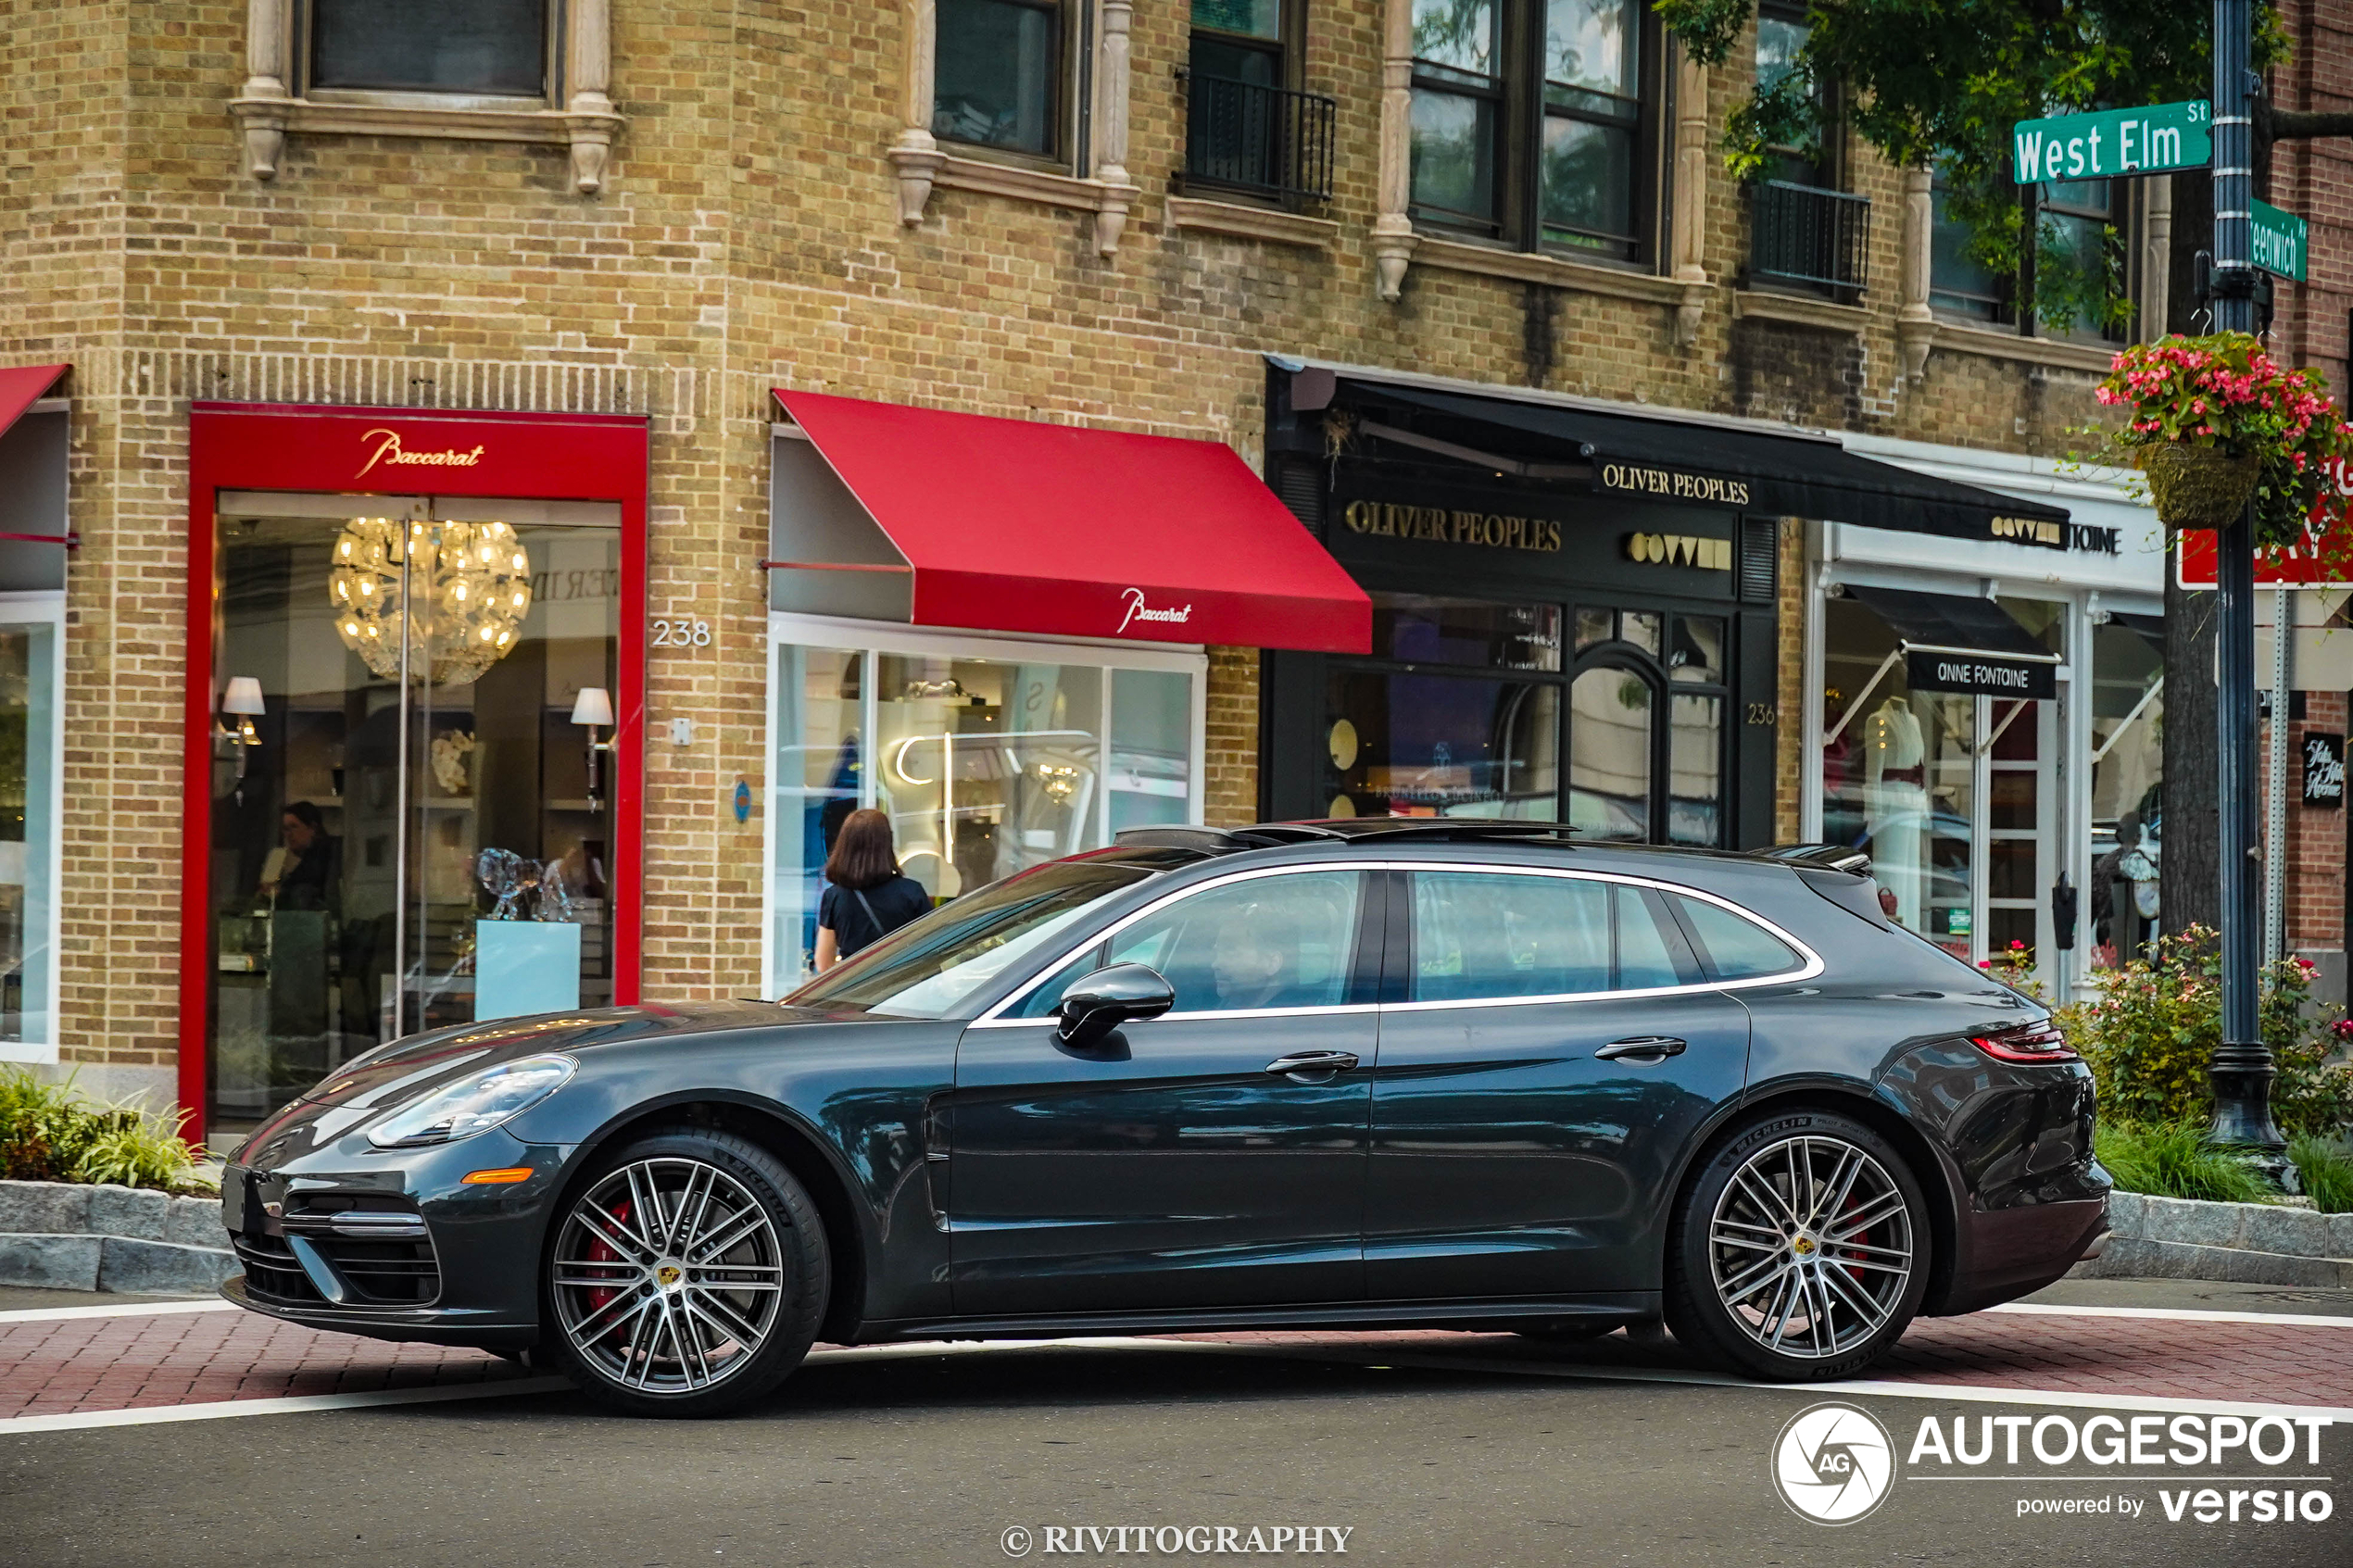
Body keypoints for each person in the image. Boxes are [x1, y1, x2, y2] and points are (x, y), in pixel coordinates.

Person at [813, 809, 930, 971]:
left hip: (855, 989)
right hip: (903, 988)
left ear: (845, 844)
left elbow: (823, 962)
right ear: (886, 843)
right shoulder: (912, 892)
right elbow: (930, 949)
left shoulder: (834, 896)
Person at [258, 801, 338, 911]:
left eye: (294, 827)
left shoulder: (323, 854)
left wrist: (280, 893)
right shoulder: (311, 856)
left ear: (312, 828)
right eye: (286, 829)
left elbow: (305, 884)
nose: (288, 835)